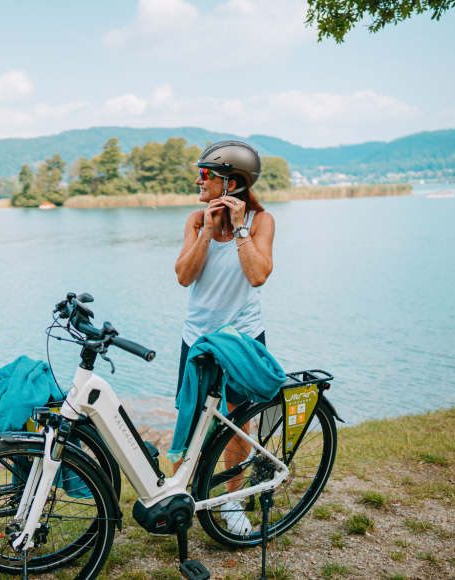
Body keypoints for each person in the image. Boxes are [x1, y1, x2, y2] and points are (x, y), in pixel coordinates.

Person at [172, 140, 275, 535]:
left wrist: (241, 230)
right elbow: (184, 276)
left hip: (243, 337)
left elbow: (257, 275)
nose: (198, 180)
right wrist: (208, 230)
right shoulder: (197, 220)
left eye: (206, 174)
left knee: (237, 423)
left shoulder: (262, 221)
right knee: (192, 416)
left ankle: (232, 502)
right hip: (198, 338)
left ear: (232, 183)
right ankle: (182, 495)